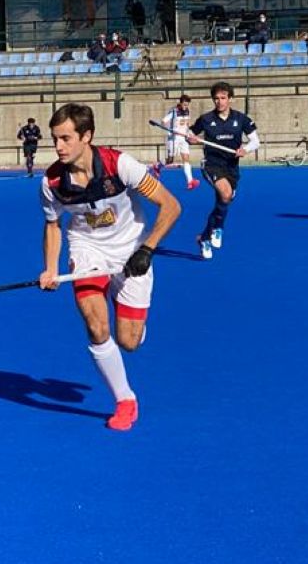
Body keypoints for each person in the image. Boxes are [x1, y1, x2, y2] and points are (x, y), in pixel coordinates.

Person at [37, 103, 181, 431]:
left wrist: (147, 249)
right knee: (96, 326)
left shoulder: (120, 166)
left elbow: (171, 206)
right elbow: (53, 225)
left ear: (86, 136)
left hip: (131, 250)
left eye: (65, 138)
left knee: (128, 342)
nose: (58, 146)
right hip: (88, 251)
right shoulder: (53, 182)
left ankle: (132, 322)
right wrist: (50, 268)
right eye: (55, 139)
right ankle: (125, 399)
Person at [187, 82, 259, 259]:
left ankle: (204, 237)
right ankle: (218, 228)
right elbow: (189, 135)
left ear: (230, 99)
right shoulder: (206, 119)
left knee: (223, 203)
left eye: (223, 98)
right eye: (216, 98)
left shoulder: (242, 119)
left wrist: (245, 150)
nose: (219, 102)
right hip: (211, 164)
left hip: (231, 168)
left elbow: (256, 141)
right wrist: (191, 139)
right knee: (226, 194)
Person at [155, 95, 199, 189]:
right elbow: (163, 121)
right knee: (170, 160)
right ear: (180, 103)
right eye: (184, 105)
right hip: (174, 138)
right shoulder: (174, 111)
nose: (185, 107)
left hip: (183, 138)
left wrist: (188, 133)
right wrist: (169, 129)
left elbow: (187, 124)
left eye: (187, 105)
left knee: (186, 158)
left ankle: (190, 181)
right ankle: (158, 166)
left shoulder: (187, 111)